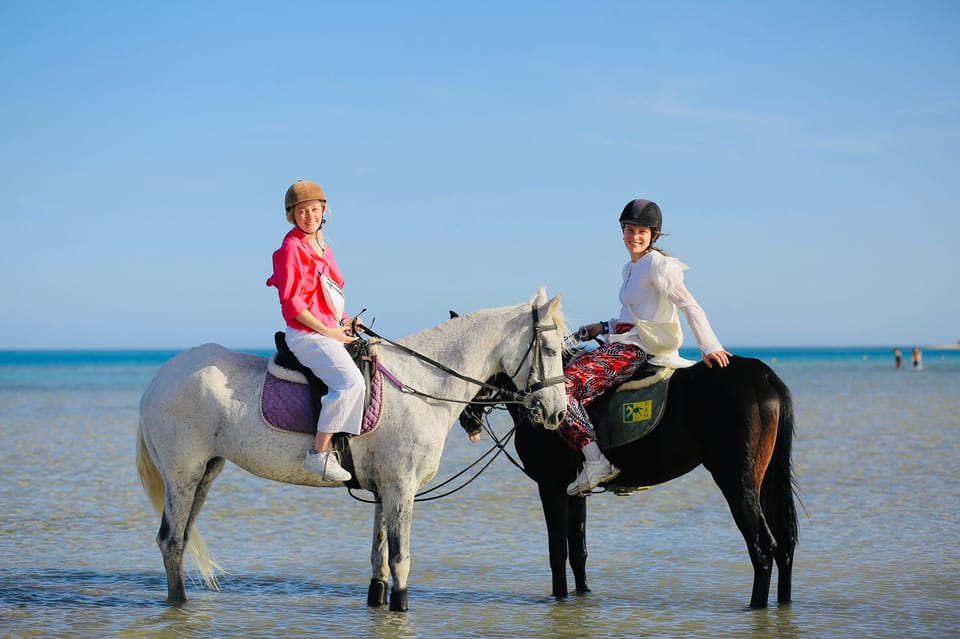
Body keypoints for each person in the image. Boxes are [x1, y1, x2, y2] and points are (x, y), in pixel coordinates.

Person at [563, 198, 732, 496]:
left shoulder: (658, 264)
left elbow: (688, 304)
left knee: (562, 388)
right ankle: (621, 459)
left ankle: (595, 462)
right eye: (629, 229)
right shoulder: (630, 267)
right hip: (624, 341)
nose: (634, 236)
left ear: (654, 235)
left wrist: (709, 346)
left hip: (637, 350)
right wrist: (601, 327)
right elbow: (632, 318)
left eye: (642, 231)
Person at [266, 179, 364, 482]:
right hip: (307, 334)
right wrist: (330, 332)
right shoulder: (291, 248)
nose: (308, 216)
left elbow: (328, 296)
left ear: (324, 211)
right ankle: (318, 454)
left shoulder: (323, 247)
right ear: (292, 216)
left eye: (314, 210)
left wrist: (346, 320)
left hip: (328, 327)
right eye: (301, 212)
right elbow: (293, 304)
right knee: (351, 384)